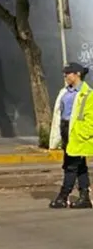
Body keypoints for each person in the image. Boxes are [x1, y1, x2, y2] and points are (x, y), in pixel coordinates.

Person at [49, 62, 93, 209]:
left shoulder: (88, 94)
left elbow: (90, 119)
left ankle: (63, 196)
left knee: (70, 166)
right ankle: (84, 197)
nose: (65, 76)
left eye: (68, 73)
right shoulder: (65, 92)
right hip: (66, 131)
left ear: (77, 74)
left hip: (78, 135)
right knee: (80, 166)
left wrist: (82, 134)